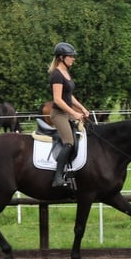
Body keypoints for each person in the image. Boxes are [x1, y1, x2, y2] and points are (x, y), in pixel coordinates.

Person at [48, 41, 90, 187]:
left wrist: (82, 109)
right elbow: (58, 100)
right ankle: (57, 176)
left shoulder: (66, 73)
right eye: (71, 56)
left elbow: (69, 96)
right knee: (69, 142)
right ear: (61, 57)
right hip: (59, 114)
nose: (73, 59)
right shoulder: (57, 75)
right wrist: (74, 113)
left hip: (67, 113)